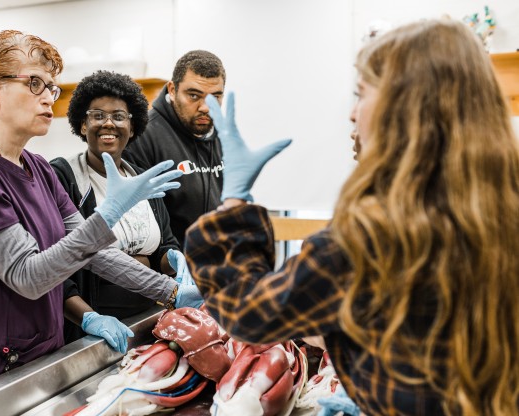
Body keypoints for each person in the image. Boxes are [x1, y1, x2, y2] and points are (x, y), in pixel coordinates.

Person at [185, 19, 519, 415]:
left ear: (404, 108)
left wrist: (234, 202)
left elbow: (250, 315)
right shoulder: (501, 217)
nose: (351, 114)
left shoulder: (364, 241)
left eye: (360, 94)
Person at [0, 30, 202, 405]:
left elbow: (94, 253)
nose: (47, 98)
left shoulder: (36, 167)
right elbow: (28, 276)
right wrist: (107, 216)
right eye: (35, 83)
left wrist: (169, 291)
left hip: (39, 356)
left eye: (52, 88)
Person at [50, 70, 196, 345]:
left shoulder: (142, 180)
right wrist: (88, 317)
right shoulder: (62, 177)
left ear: (132, 126)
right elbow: (56, 265)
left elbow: (163, 246)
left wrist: (174, 259)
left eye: (119, 116)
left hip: (150, 318)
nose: (108, 124)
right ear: (82, 124)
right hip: (92, 328)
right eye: (97, 115)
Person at [123, 50, 226, 246]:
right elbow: (140, 224)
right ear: (172, 89)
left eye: (215, 97)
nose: (205, 107)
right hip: (171, 270)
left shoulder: (221, 133)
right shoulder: (142, 137)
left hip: (217, 267)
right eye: (194, 95)